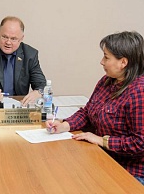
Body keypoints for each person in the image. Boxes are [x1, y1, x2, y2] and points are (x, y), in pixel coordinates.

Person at [46, 31, 144, 185]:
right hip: (101, 158)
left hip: (129, 171)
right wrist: (64, 125)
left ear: (123, 62)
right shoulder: (106, 81)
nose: (102, 62)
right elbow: (87, 112)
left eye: (106, 57)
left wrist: (101, 140)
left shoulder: (139, 92)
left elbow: (140, 143)